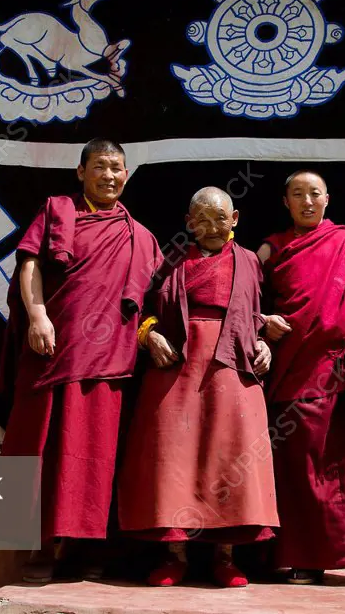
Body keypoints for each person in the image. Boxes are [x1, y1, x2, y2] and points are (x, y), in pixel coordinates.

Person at [0, 138, 162, 583]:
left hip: (109, 359)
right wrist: (37, 316)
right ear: (81, 171)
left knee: (96, 454)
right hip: (53, 350)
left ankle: (89, 549)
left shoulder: (140, 236)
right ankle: (41, 549)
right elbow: (29, 266)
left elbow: (150, 302)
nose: (110, 176)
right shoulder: (58, 212)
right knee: (46, 449)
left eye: (118, 168)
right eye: (101, 167)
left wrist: (149, 334)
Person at [119, 187, 279, 588]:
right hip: (177, 365)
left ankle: (225, 557)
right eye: (202, 220)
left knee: (228, 458)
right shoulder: (169, 260)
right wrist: (149, 335)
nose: (211, 227)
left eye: (219, 219)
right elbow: (137, 306)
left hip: (231, 365)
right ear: (189, 222)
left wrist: (263, 342)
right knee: (174, 457)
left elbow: (263, 313)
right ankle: (175, 556)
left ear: (235, 218)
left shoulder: (250, 263)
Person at [258, 170, 345, 587]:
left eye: (314, 194)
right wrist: (263, 322)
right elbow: (248, 295)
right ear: (285, 202)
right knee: (301, 467)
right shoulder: (273, 249)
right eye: (297, 194)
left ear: (328, 199)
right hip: (296, 369)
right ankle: (306, 559)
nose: (307, 201)